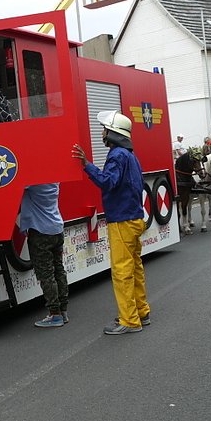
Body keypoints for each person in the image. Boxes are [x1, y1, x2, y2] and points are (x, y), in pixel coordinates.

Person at [72, 110, 150, 335]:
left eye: (105, 129)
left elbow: (108, 182)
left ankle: (129, 320)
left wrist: (87, 164)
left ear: (114, 133)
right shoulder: (130, 156)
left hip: (122, 221)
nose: (102, 133)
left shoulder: (116, 155)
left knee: (121, 271)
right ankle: (141, 311)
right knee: (135, 267)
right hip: (135, 218)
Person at [20, 184, 69, 328]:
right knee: (59, 269)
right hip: (57, 228)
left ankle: (55, 314)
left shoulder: (34, 184)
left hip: (40, 231)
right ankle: (63, 310)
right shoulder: (56, 181)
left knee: (46, 274)